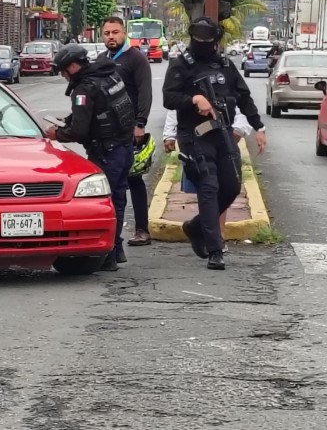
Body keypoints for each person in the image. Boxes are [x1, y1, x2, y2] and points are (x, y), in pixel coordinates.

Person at [162, 16, 267, 271]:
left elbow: (243, 96)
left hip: (222, 132)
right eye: (198, 39)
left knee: (231, 186)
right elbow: (169, 97)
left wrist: (259, 126)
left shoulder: (225, 64)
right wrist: (194, 99)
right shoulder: (181, 64)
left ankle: (195, 226)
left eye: (207, 40)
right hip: (194, 135)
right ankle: (215, 249)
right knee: (208, 186)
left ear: (215, 40)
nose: (203, 44)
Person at [45, 43, 135, 271]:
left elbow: (79, 131)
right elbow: (104, 110)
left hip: (106, 153)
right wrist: (70, 119)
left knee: (102, 203)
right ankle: (115, 251)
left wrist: (57, 134)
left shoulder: (84, 90)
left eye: (63, 71)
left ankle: (107, 256)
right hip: (124, 149)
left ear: (73, 66)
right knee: (117, 201)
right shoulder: (109, 76)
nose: (63, 76)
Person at [99, 16, 153, 250]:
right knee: (109, 183)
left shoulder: (136, 59)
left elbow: (145, 92)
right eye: (107, 33)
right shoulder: (102, 60)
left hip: (130, 130)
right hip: (106, 134)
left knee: (133, 178)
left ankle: (142, 229)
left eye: (115, 32)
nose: (111, 37)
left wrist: (140, 123)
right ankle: (109, 235)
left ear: (124, 33)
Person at [163, 108, 252, 240]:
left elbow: (240, 105)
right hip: (195, 140)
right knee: (207, 186)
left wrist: (239, 129)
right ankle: (211, 235)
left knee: (225, 188)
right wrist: (169, 135)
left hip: (223, 139)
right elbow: (175, 106)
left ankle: (212, 232)